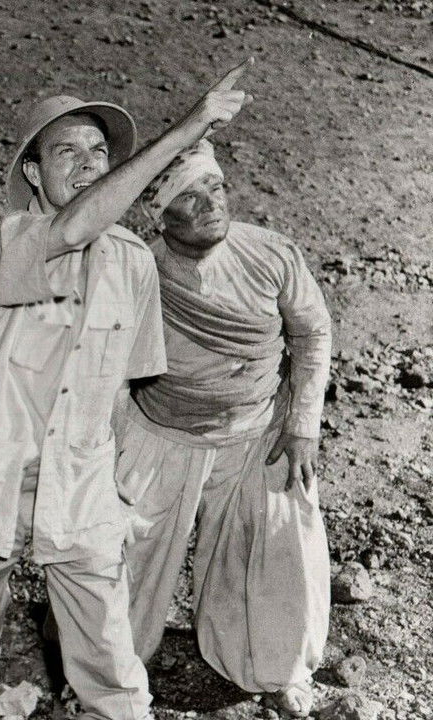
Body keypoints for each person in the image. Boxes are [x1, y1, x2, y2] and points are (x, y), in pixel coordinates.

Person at [0, 60, 254, 720]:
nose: (88, 161)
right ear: (33, 173)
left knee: (113, 666)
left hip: (82, 481)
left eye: (99, 150)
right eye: (66, 149)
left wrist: (122, 490)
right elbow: (72, 228)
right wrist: (187, 129)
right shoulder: (5, 242)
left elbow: (128, 388)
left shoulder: (133, 264)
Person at [119, 138, 331, 717]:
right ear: (161, 215)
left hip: (254, 431)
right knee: (124, 561)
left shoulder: (271, 253)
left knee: (277, 550)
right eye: (189, 195)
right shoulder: (138, 268)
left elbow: (312, 332)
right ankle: (107, 675)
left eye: (214, 186)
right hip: (162, 434)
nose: (211, 203)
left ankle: (276, 667)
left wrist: (302, 425)